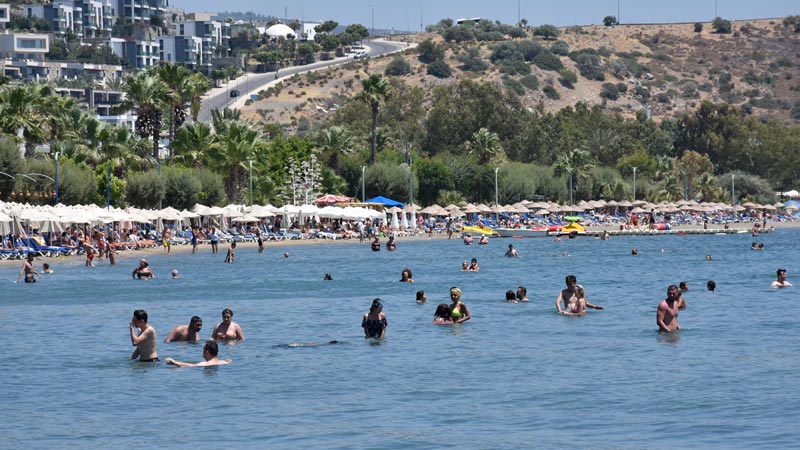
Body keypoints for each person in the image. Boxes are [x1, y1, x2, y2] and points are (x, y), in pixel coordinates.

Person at [165, 340, 231, 367]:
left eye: (203, 350)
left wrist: (175, 362)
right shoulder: (224, 362)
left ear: (207, 352)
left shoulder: (205, 364)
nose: (202, 352)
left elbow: (190, 365)